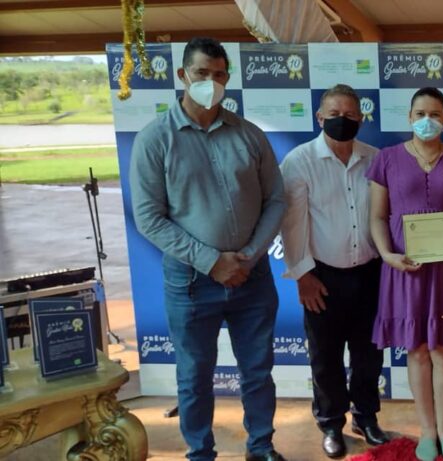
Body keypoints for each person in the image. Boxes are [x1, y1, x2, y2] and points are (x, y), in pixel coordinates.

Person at [129, 37, 286, 461]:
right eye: (201, 73)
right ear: (183, 75)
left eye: (219, 75)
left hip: (252, 276)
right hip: (191, 281)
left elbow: (276, 200)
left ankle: (261, 446)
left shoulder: (250, 135)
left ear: (227, 78)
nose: (210, 82)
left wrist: (249, 256)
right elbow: (149, 218)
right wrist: (212, 262)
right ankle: (200, 452)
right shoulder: (155, 139)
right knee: (194, 376)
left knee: (258, 371)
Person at [367, 87, 443, 461]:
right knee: (416, 351)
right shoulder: (386, 159)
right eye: (420, 113)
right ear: (410, 117)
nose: (427, 120)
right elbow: (377, 216)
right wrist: (387, 255)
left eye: (434, 113)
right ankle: (427, 432)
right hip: (406, 271)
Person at [279, 84, 390, 459]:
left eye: (350, 114)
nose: (343, 120)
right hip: (322, 277)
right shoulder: (299, 161)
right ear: (319, 117)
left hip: (371, 274)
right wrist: (303, 276)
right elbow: (292, 225)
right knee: (325, 357)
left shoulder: (375, 159)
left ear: (361, 117)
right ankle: (330, 424)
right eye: (334, 114)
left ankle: (366, 418)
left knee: (368, 355)